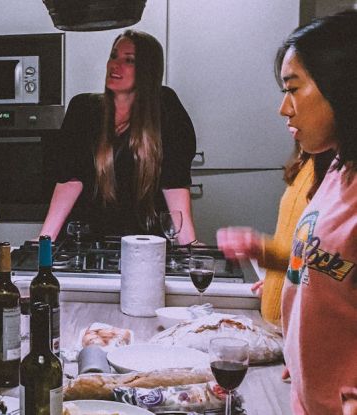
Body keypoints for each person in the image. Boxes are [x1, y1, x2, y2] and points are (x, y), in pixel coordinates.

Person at [273, 10, 357, 414]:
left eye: (293, 89)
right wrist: (301, 351)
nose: (283, 109)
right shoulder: (338, 169)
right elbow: (329, 272)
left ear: (342, 86)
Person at [39, 30, 198, 244]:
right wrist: (44, 241)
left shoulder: (165, 108)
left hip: (147, 243)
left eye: (129, 60)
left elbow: (174, 184)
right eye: (114, 56)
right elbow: (69, 181)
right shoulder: (83, 109)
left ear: (147, 71)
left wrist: (189, 246)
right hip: (89, 241)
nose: (116, 65)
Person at [216, 145, 335, 327]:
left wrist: (262, 250)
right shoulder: (307, 160)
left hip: (305, 330)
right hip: (278, 326)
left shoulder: (341, 173)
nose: (284, 114)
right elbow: (297, 245)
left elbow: (334, 265)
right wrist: (277, 280)